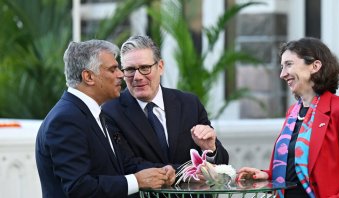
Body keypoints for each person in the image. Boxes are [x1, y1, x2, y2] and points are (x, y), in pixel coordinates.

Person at [237, 37, 339, 197]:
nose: (283, 74)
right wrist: (268, 176)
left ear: (315, 66)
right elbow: (296, 167)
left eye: (289, 64)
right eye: (282, 67)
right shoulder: (293, 113)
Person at [35, 40, 172, 198]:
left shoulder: (93, 113)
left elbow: (121, 165)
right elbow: (78, 187)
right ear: (88, 76)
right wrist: (136, 181)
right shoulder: (66, 119)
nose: (121, 74)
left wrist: (164, 173)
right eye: (112, 69)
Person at [102, 35, 229, 178]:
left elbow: (222, 163)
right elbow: (128, 165)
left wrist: (210, 149)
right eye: (130, 69)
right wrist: (189, 172)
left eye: (144, 68)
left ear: (160, 67)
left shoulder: (189, 104)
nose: (137, 76)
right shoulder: (111, 113)